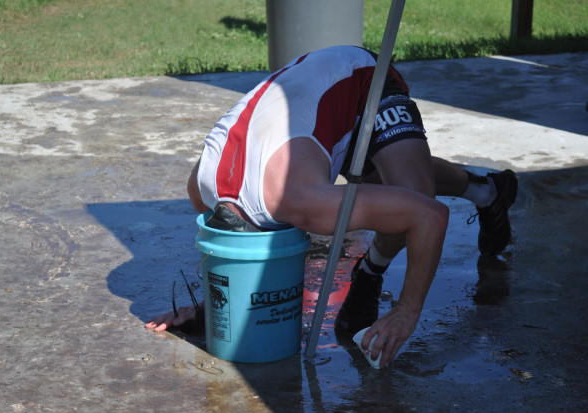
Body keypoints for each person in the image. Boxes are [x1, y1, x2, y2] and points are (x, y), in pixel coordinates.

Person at [145, 45, 518, 367]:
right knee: (379, 185)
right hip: (314, 106)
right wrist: (214, 308)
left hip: (361, 77)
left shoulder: (302, 203)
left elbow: (430, 216)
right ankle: (487, 192)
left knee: (413, 195)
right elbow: (226, 250)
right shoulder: (202, 188)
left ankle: (370, 272)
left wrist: (406, 312)